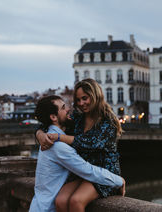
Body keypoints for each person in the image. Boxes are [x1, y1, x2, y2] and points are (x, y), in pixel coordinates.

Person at [37, 79, 123, 212]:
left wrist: (60, 137)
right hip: (82, 171)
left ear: (95, 96)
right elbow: (47, 123)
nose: (81, 103)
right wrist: (40, 134)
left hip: (103, 171)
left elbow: (91, 142)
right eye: (78, 100)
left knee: (76, 201)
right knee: (59, 200)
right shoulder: (78, 117)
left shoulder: (108, 120)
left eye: (85, 98)